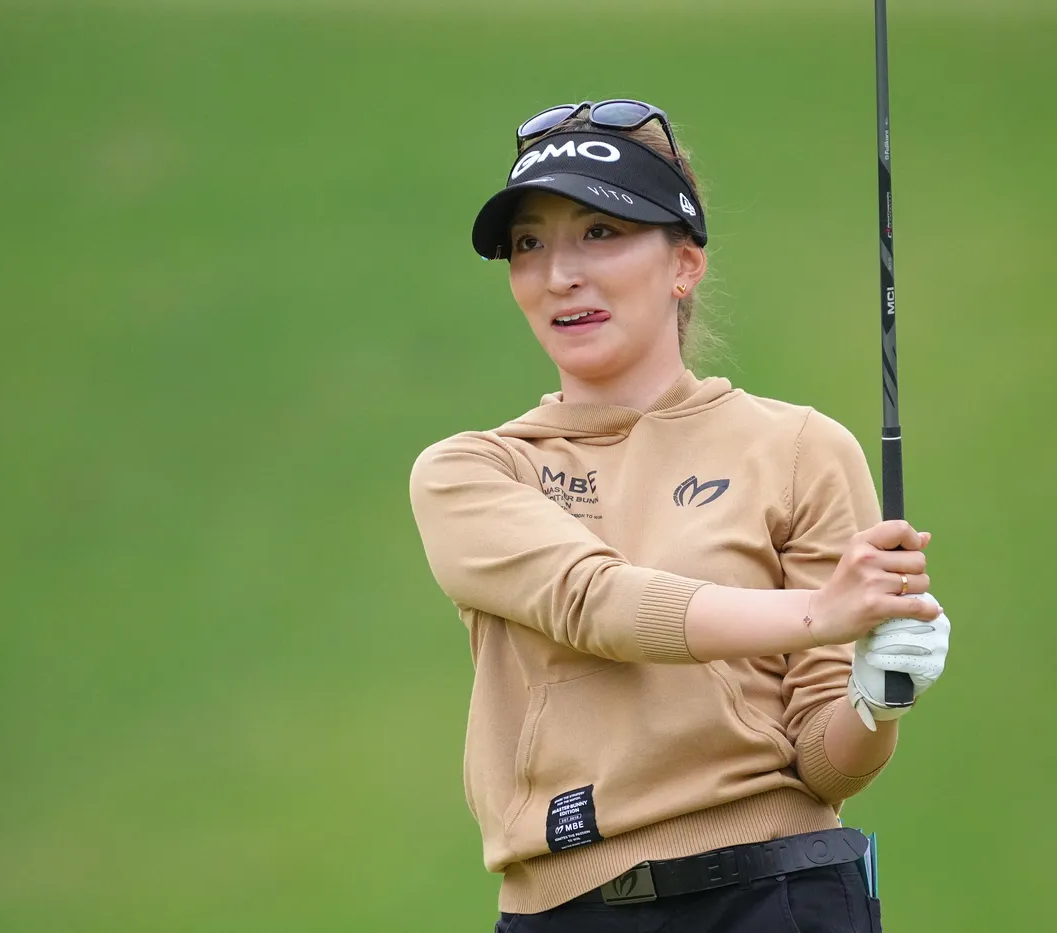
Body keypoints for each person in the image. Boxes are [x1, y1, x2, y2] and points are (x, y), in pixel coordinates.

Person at [407, 99, 952, 933]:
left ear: (684, 264)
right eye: (529, 244)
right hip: (566, 912)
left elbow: (824, 763)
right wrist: (821, 612)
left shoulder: (800, 449)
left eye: (600, 232)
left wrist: (877, 700)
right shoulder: (472, 471)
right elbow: (596, 601)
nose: (559, 275)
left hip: (779, 897)